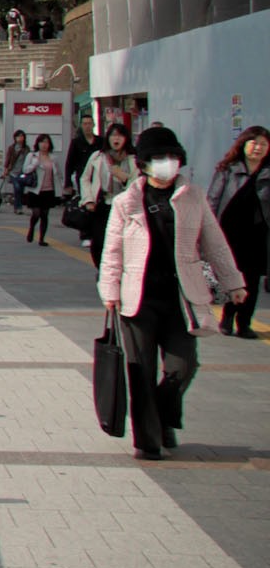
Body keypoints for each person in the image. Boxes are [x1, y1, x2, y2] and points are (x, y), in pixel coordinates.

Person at [98, 126, 247, 460]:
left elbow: (216, 244)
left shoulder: (193, 197)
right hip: (138, 299)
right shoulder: (127, 202)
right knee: (140, 371)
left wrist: (233, 283)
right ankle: (148, 441)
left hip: (181, 298)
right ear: (144, 164)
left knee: (183, 365)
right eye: (159, 159)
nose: (167, 164)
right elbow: (112, 251)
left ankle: (164, 415)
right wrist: (109, 290)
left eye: (172, 158)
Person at [206, 125, 270, 338]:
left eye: (263, 144)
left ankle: (244, 323)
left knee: (252, 280)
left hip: (258, 234)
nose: (258, 148)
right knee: (231, 276)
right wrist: (207, 231)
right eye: (254, 143)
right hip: (229, 233)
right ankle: (227, 316)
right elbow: (213, 200)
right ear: (244, 144)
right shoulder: (228, 169)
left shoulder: (268, 172)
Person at [79, 121, 136, 270]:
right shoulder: (98, 157)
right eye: (113, 135)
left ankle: (116, 272)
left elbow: (137, 184)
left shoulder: (133, 159)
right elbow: (85, 178)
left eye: (120, 135)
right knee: (99, 242)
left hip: (124, 208)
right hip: (102, 205)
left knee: (120, 242)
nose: (116, 139)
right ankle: (102, 271)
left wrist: (124, 178)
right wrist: (88, 199)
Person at [20, 133, 58, 244]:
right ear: (38, 143)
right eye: (42, 142)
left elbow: (57, 174)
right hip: (35, 190)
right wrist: (35, 164)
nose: (44, 145)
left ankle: (42, 238)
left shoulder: (53, 158)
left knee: (45, 214)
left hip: (48, 189)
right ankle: (31, 229)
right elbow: (25, 170)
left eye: (46, 142)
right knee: (36, 213)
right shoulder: (32, 156)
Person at [65, 115, 98, 204]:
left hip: (97, 175)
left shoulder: (100, 141)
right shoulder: (76, 142)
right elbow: (69, 163)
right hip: (82, 175)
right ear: (81, 126)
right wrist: (68, 183)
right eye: (85, 124)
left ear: (93, 124)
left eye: (89, 123)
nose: (87, 126)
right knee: (86, 199)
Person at [3, 130, 31, 215]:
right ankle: (17, 207)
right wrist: (6, 169)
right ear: (15, 138)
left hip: (23, 173)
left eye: (22, 136)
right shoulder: (12, 148)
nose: (20, 138)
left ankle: (18, 206)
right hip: (13, 172)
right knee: (17, 188)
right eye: (18, 136)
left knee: (21, 190)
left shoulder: (26, 148)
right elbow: (8, 159)